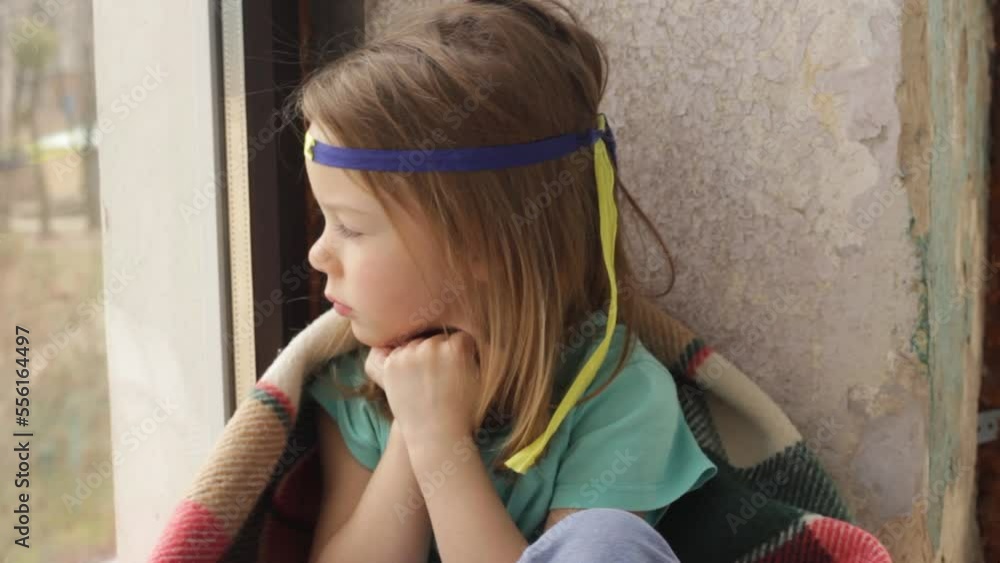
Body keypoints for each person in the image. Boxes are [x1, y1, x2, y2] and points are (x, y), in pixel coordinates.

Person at [292, 1, 717, 561]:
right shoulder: (355, 384)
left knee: (607, 540)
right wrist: (409, 432)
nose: (318, 253)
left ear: (481, 243)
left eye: (349, 226)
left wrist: (440, 438)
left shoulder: (616, 395)